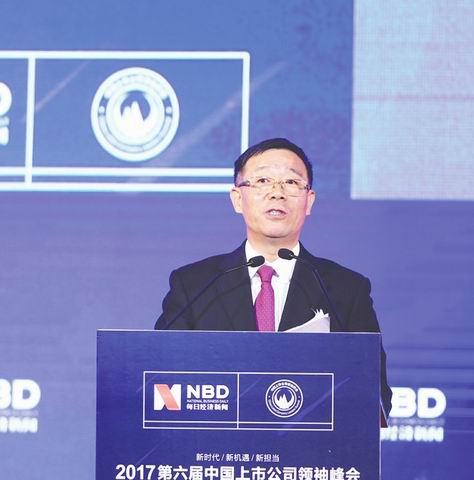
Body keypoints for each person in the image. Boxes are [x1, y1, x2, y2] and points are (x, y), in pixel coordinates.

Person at [155, 137, 392, 417]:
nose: (277, 192)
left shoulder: (345, 289)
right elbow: (160, 379)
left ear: (309, 201)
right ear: (237, 199)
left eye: (291, 182)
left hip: (309, 442)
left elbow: (375, 394)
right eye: (263, 181)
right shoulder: (194, 285)